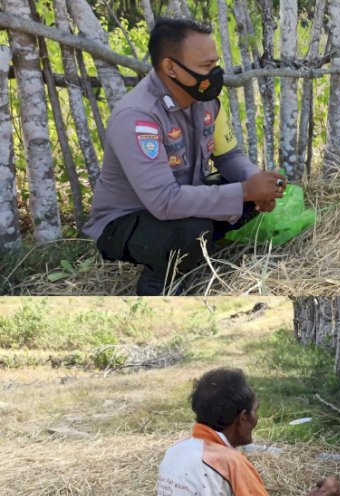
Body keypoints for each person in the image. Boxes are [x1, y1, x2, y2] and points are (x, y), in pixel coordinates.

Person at [84, 18, 286, 295]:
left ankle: (195, 252)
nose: (215, 74)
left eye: (215, 64)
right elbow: (164, 201)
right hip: (126, 220)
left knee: (246, 202)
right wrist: (243, 191)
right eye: (205, 67)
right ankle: (158, 284)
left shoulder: (205, 100)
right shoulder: (138, 118)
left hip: (181, 198)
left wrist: (256, 182)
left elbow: (229, 156)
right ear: (171, 68)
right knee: (194, 229)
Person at [154, 368, 340, 496]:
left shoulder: (177, 450)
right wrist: (327, 491)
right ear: (243, 418)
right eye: (255, 411)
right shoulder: (230, 462)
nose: (257, 418)